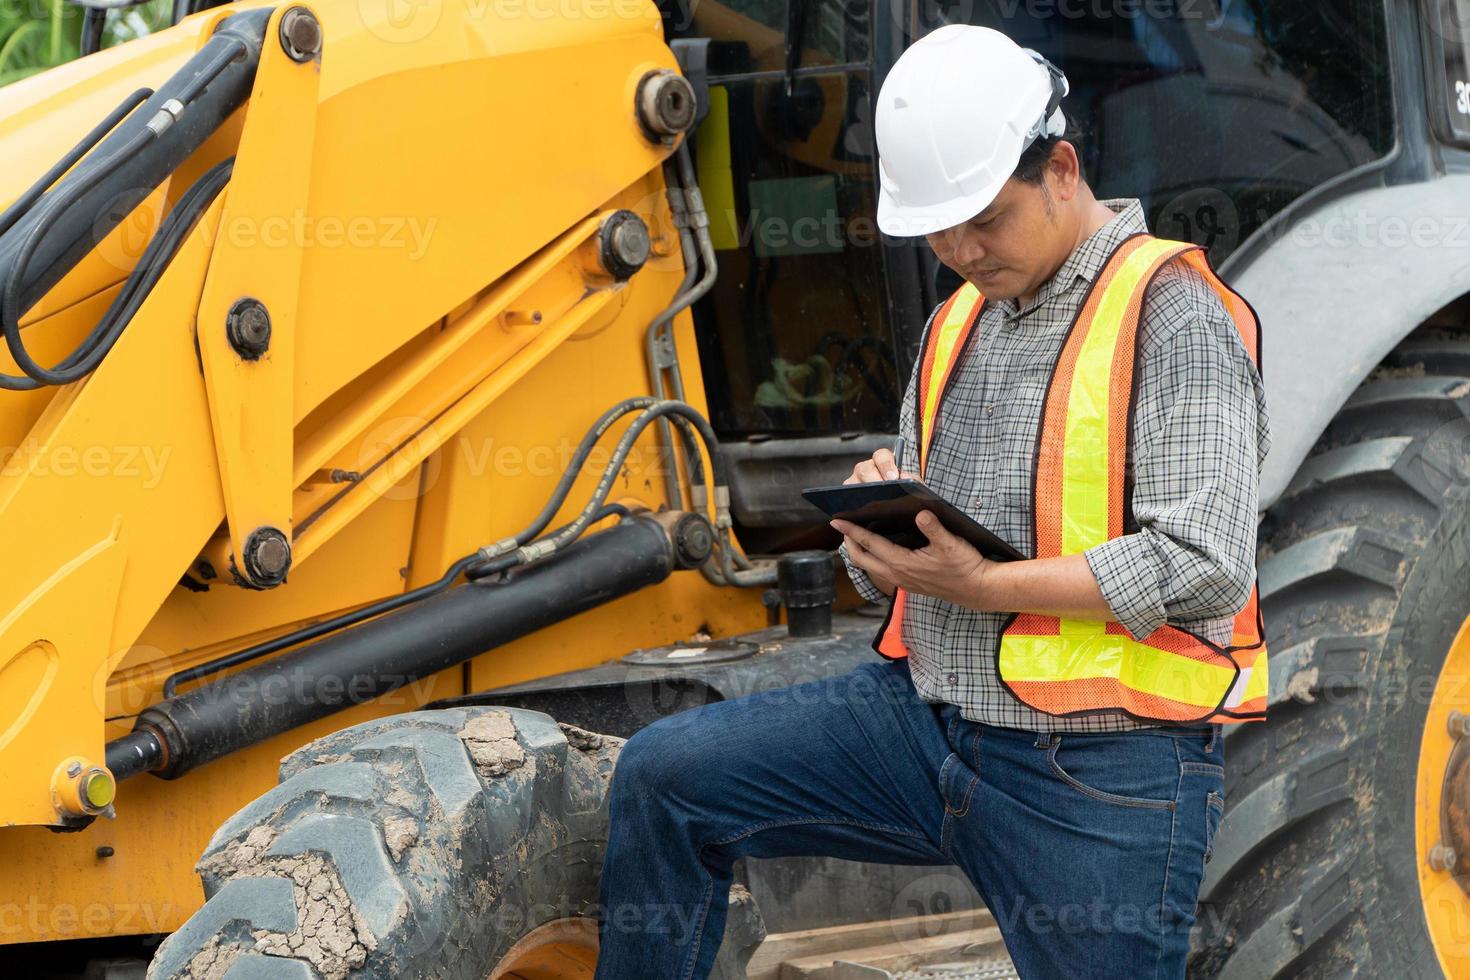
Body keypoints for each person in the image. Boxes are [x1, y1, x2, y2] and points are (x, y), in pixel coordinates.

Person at [592, 24, 1272, 980]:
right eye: (939, 229)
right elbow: (915, 577)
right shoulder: (960, 317)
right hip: (924, 724)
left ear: (1062, 169)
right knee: (663, 780)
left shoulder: (1175, 311)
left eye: (985, 219)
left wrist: (985, 584)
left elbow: (1204, 563)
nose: (961, 249)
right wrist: (878, 548)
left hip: (1099, 774)